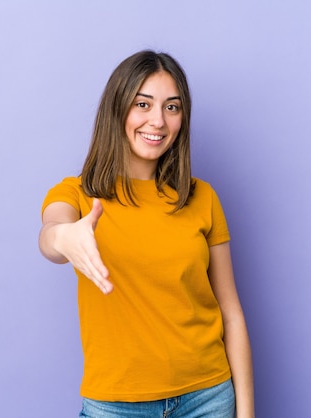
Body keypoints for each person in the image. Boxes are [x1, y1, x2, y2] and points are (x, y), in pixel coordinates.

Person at [39, 50, 254, 418]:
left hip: (208, 398)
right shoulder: (76, 194)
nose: (158, 120)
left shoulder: (201, 197)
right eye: (143, 104)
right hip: (115, 406)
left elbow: (230, 312)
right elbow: (52, 234)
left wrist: (246, 413)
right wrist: (63, 238)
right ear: (117, 109)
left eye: (172, 107)